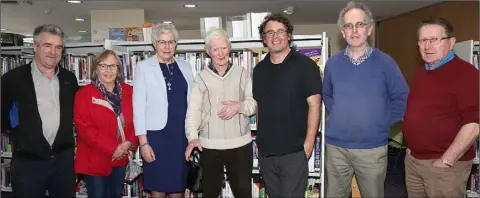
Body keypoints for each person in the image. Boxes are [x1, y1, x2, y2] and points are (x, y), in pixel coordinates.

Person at [322, 1, 409, 197]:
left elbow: (402, 97)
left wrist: (382, 123)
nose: (354, 30)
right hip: (336, 148)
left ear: (369, 29)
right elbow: (326, 94)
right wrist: (338, 113)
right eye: (348, 26)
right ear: (343, 32)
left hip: (372, 149)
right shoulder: (332, 64)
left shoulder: (386, 63)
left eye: (359, 24)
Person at [402, 17, 479, 198]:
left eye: (434, 40)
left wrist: (446, 161)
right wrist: (412, 148)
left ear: (451, 42)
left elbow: (474, 124)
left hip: (445, 166)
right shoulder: (423, 72)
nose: (427, 46)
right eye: (423, 41)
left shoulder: (467, 74)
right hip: (414, 161)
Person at [0, 24, 79, 198]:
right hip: (28, 163)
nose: (53, 52)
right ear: (35, 46)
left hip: (62, 164)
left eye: (58, 47)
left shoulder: (69, 79)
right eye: (47, 45)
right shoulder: (12, 79)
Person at [252, 13, 322, 197]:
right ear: (264, 39)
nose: (275, 37)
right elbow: (260, 105)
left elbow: (315, 105)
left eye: (280, 31)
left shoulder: (306, 66)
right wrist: (259, 139)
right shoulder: (259, 69)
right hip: (266, 154)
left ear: (289, 35)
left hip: (294, 152)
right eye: (270, 33)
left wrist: (309, 143)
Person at [184, 28, 257, 198]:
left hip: (240, 146)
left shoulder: (242, 73)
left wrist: (239, 106)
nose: (220, 53)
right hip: (209, 147)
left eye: (224, 48)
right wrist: (193, 137)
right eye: (215, 49)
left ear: (229, 48)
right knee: (209, 193)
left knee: (243, 193)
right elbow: (194, 109)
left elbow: (253, 104)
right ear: (208, 52)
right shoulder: (200, 78)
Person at [132, 23, 194, 198]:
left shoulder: (186, 67)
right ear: (154, 44)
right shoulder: (144, 67)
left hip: (181, 138)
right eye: (162, 42)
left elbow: (192, 102)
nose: (167, 46)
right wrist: (143, 143)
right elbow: (138, 108)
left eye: (171, 42)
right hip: (156, 138)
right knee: (157, 190)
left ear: (176, 44)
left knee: (178, 189)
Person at [73, 50, 138, 198]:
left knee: (115, 194)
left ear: (118, 69)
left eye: (112, 66)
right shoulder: (83, 94)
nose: (108, 70)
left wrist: (129, 143)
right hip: (94, 158)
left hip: (120, 158)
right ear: (96, 69)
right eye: (103, 66)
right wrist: (113, 148)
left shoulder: (130, 91)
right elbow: (84, 129)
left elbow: (138, 121)